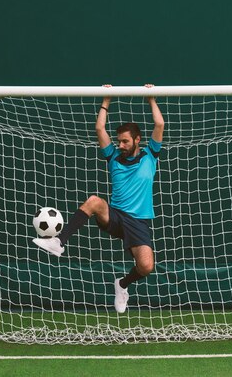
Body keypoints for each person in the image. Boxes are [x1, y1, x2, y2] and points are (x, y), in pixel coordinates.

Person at [33, 84, 165, 313]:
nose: (120, 145)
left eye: (125, 141)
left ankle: (122, 285)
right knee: (94, 200)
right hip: (114, 216)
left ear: (137, 140)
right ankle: (58, 242)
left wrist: (151, 99)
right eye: (119, 141)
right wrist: (106, 100)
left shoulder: (150, 156)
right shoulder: (113, 157)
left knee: (145, 267)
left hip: (138, 221)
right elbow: (99, 128)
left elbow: (160, 124)